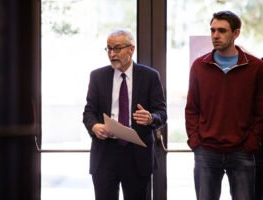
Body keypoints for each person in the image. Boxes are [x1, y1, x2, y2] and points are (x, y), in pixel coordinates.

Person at [185, 11, 263, 200]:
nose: (215, 36)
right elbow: (192, 109)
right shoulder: (199, 66)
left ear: (236, 33)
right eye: (212, 30)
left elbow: (260, 111)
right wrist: (195, 142)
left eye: (221, 31)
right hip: (206, 150)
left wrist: (252, 143)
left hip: (242, 151)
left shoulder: (255, 67)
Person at [83, 29, 167, 200]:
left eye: (117, 48)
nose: (112, 54)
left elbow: (162, 113)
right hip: (105, 153)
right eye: (109, 49)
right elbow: (89, 112)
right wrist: (94, 126)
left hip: (137, 155)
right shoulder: (97, 76)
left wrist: (151, 118)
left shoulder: (150, 76)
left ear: (131, 49)